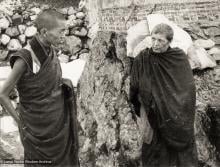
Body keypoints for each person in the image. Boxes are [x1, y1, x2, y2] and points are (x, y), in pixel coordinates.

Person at [0, 9, 79, 167]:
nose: (64, 35)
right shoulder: (24, 58)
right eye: (61, 31)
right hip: (36, 128)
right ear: (44, 32)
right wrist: (20, 122)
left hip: (57, 123)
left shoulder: (49, 49)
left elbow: (49, 80)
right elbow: (2, 94)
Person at [130, 23, 198, 166]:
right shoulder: (142, 58)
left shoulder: (178, 57)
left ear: (169, 42)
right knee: (152, 147)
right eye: (153, 38)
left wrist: (174, 105)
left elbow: (187, 88)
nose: (155, 44)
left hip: (175, 114)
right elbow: (134, 86)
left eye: (160, 41)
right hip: (151, 112)